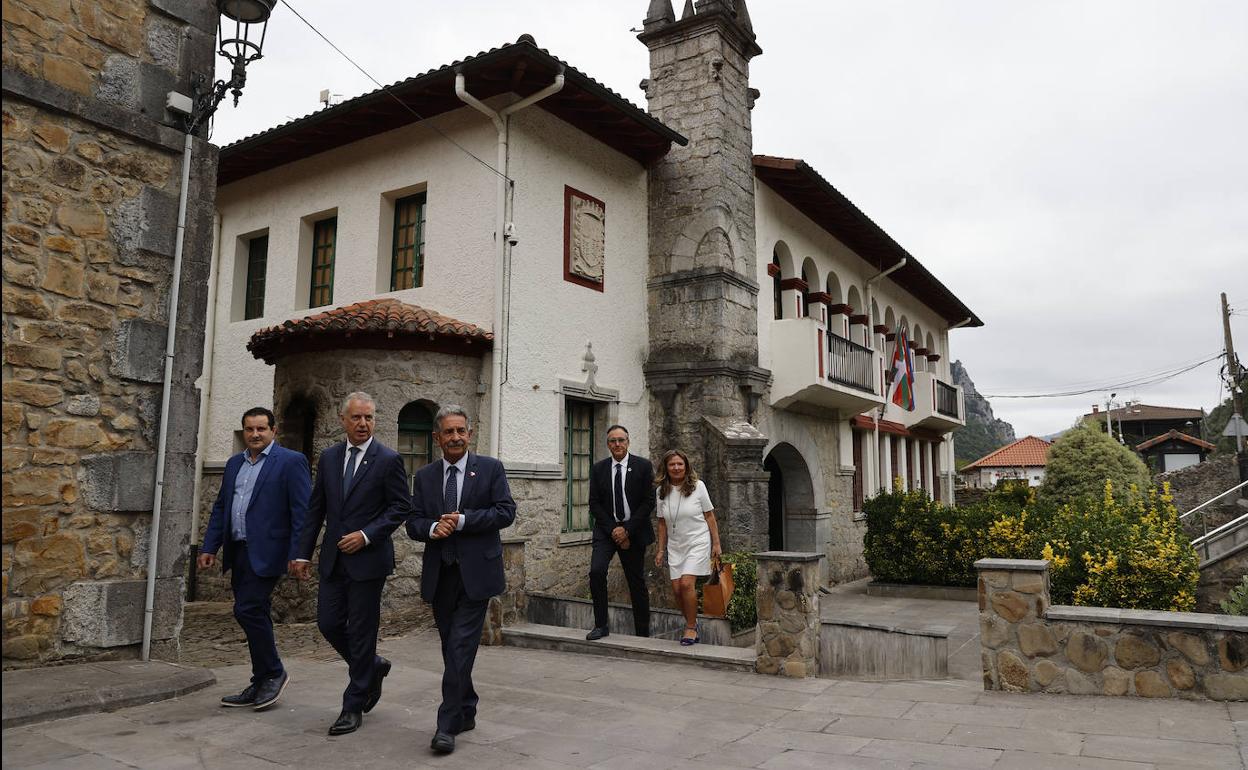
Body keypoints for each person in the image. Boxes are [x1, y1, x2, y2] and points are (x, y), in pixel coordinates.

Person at [291, 392, 410, 736]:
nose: (363, 424)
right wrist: (302, 553)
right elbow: (316, 509)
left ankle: (352, 704)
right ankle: (372, 666)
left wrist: (367, 535)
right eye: (356, 418)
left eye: (369, 418)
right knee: (328, 623)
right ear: (343, 420)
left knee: (361, 632)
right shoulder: (328, 458)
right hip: (333, 560)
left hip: (369, 562)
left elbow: (401, 507)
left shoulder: (388, 460)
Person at [406, 405, 516, 755]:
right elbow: (412, 522)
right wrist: (431, 527)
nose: (455, 437)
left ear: (470, 434)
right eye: (448, 432)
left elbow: (505, 511)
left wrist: (465, 521)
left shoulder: (490, 469)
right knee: (450, 648)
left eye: (461, 431)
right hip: (441, 576)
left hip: (477, 575)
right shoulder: (424, 477)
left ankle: (446, 724)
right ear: (437, 438)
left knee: (459, 647)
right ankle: (466, 707)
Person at [199, 406, 311, 710]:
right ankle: (261, 679)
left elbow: (302, 512)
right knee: (250, 611)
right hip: (240, 551)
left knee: (247, 609)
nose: (255, 434)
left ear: (273, 431)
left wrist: (300, 555)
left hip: (270, 552)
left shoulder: (290, 462)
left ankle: (274, 672)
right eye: (249, 429)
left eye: (261, 428)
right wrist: (209, 547)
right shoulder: (235, 463)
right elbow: (222, 506)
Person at [585, 425, 654, 640]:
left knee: (636, 582)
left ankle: (642, 632)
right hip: (607, 530)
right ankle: (601, 625)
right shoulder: (598, 469)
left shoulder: (643, 466)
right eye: (613, 441)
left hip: (634, 529)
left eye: (621, 440)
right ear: (608, 445)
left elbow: (648, 501)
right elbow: (594, 503)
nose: (617, 444)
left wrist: (627, 529)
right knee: (596, 572)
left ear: (628, 442)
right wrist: (614, 529)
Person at [654, 449, 721, 646]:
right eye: (672, 464)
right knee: (676, 590)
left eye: (680, 464)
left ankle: (690, 627)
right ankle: (692, 622)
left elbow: (710, 516)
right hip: (676, 546)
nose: (676, 467)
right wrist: (660, 550)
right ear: (666, 468)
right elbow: (661, 523)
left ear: (686, 466)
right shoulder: (661, 491)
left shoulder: (698, 486)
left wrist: (716, 544)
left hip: (697, 541)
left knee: (685, 584)